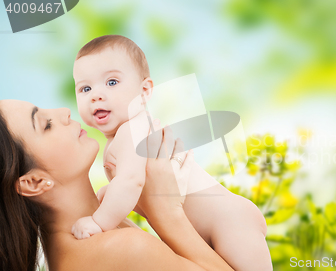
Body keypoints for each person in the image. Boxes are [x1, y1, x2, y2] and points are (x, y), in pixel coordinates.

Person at [72, 35, 272, 270]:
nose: (96, 95)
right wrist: (109, 191)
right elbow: (136, 182)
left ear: (145, 91)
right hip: (215, 226)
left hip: (229, 222)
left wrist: (98, 222)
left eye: (112, 82)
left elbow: (131, 182)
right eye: (85, 88)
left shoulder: (132, 130)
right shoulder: (123, 136)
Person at [0, 99, 238, 271]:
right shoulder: (123, 249)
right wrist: (166, 213)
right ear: (34, 182)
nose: (64, 112)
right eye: (46, 125)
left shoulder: (83, 243)